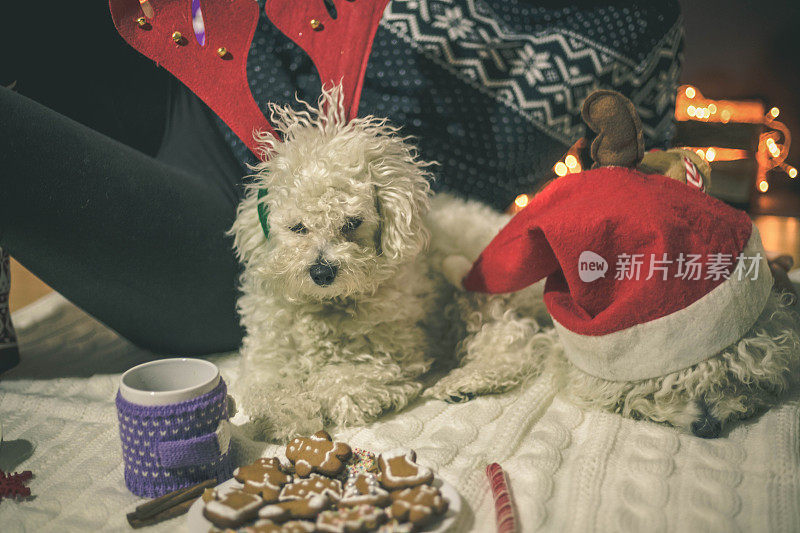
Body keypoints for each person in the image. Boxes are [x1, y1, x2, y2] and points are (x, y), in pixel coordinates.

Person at [0, 1, 684, 371]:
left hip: (259, 242)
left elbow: (639, 185)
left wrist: (690, 267)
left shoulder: (639, 22)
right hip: (187, 86)